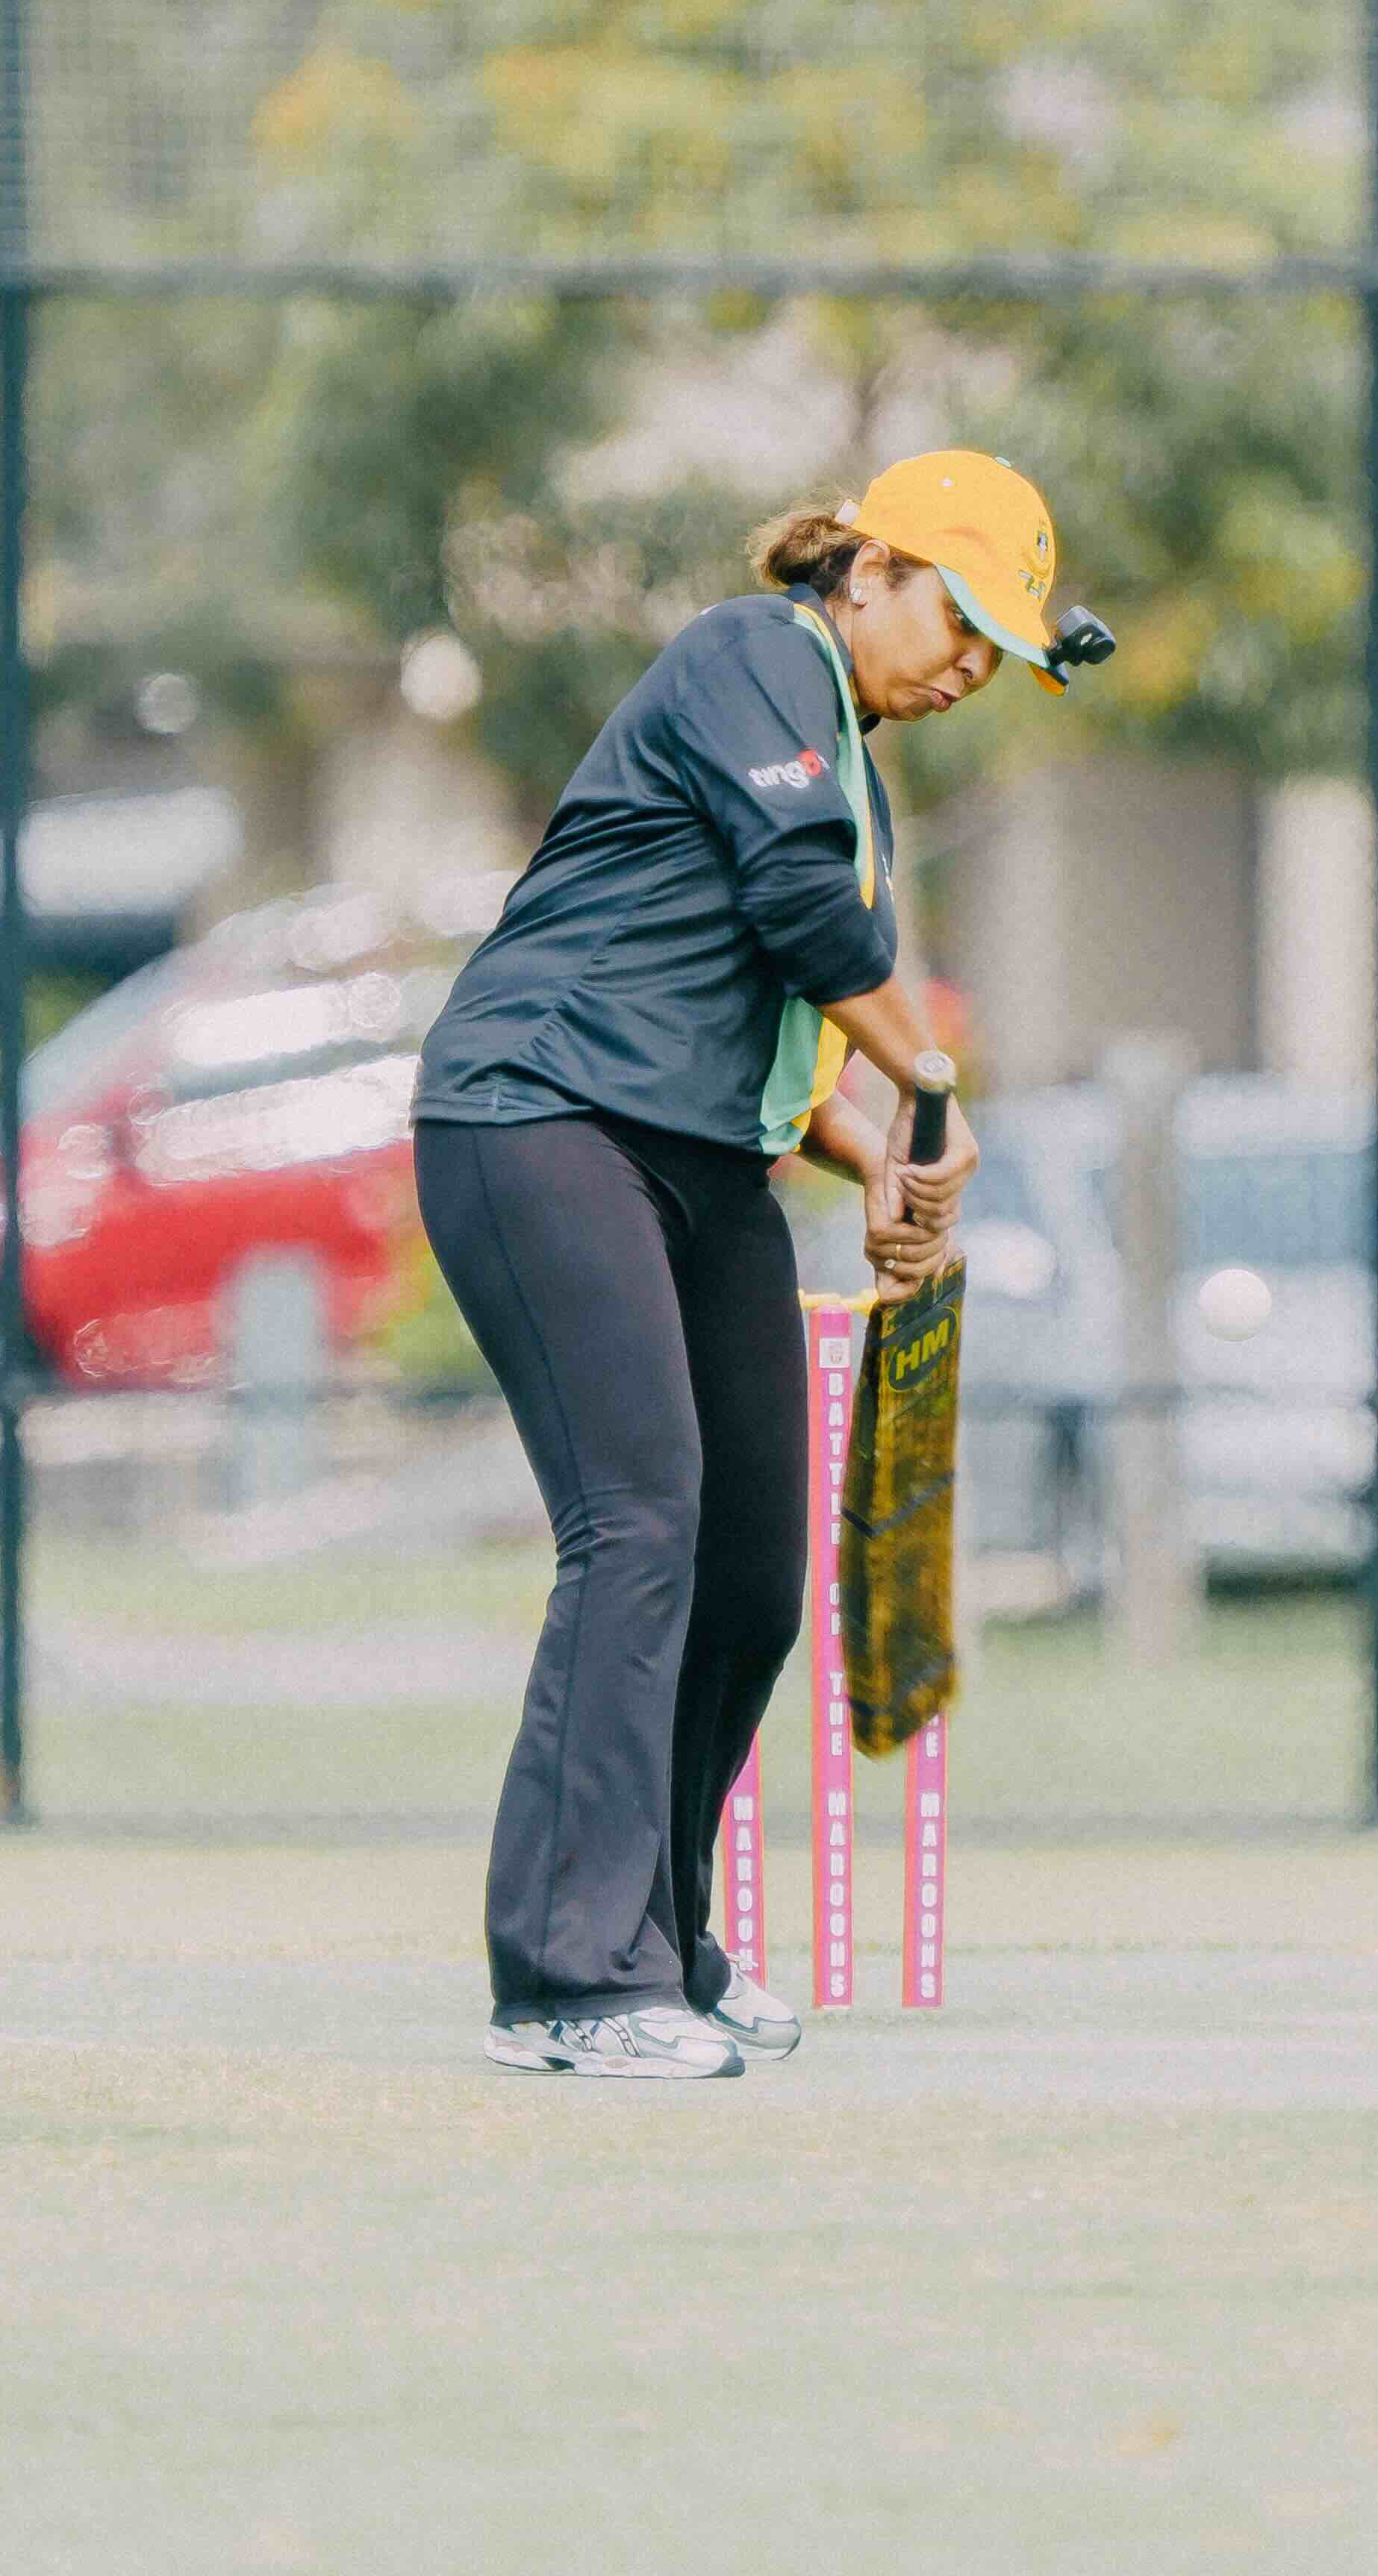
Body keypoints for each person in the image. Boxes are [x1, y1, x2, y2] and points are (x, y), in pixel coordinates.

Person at [411, 450, 1108, 2079]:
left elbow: (776, 1047)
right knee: (637, 1521)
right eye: (957, 619)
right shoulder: (755, 652)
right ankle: (567, 1978)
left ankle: (658, 1938)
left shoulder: (839, 749)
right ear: (866, 571)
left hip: (690, 1148)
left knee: (745, 1570)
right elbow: (805, 911)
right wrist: (935, 1091)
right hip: (536, 1114)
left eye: (997, 652)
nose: (967, 669)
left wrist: (884, 1159)